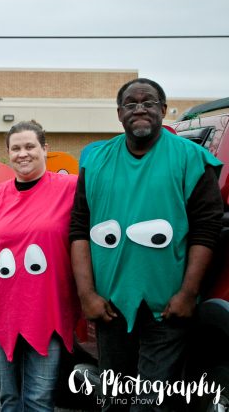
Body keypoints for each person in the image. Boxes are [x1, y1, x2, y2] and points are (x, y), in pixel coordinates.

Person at [70, 78, 223, 410]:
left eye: (149, 102)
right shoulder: (95, 160)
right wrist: (87, 296)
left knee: (151, 403)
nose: (140, 109)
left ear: (163, 110)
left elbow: (206, 230)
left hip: (166, 310)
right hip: (110, 309)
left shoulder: (192, 159)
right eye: (131, 103)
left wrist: (186, 293)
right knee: (115, 400)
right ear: (119, 113)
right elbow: (79, 228)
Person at [0, 120, 80, 411]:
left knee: (39, 400)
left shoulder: (70, 190)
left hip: (47, 312)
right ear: (8, 153)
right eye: (16, 148)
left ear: (44, 149)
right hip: (3, 313)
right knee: (10, 400)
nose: (22, 154)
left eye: (29, 146)